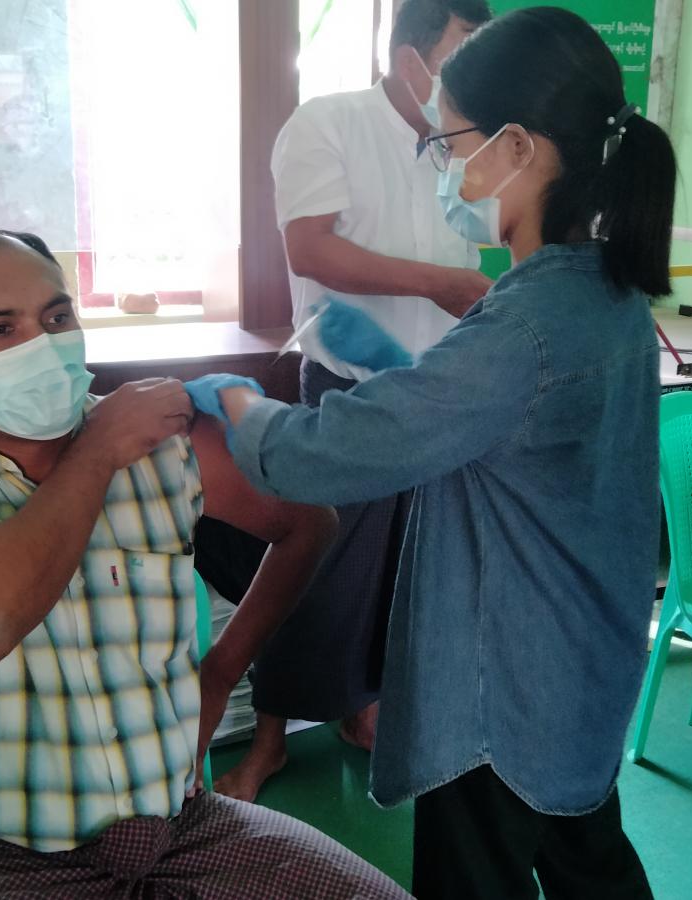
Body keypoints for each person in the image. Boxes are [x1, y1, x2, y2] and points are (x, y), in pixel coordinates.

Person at [191, 9, 674, 898]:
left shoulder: (524, 325)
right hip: (583, 663)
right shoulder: (607, 295)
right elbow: (510, 434)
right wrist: (398, 370)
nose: (444, 168)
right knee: (590, 861)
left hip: (505, 688)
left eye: (448, 144)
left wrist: (237, 405)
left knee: (479, 872)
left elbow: (323, 456)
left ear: (518, 148)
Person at [0, 231, 409, 899]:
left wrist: (220, 673)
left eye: (57, 318)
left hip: (185, 828)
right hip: (6, 856)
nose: (42, 345)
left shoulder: (160, 447)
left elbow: (308, 523)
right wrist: (99, 451)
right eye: (1, 329)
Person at [209, 0, 495, 806]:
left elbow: (487, 235)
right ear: (411, 58)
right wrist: (439, 283)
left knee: (411, 575)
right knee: (317, 571)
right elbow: (310, 249)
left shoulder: (466, 143)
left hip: (437, 397)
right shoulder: (327, 123)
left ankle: (366, 713)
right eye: (464, 53)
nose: (476, 74)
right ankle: (269, 743)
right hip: (353, 391)